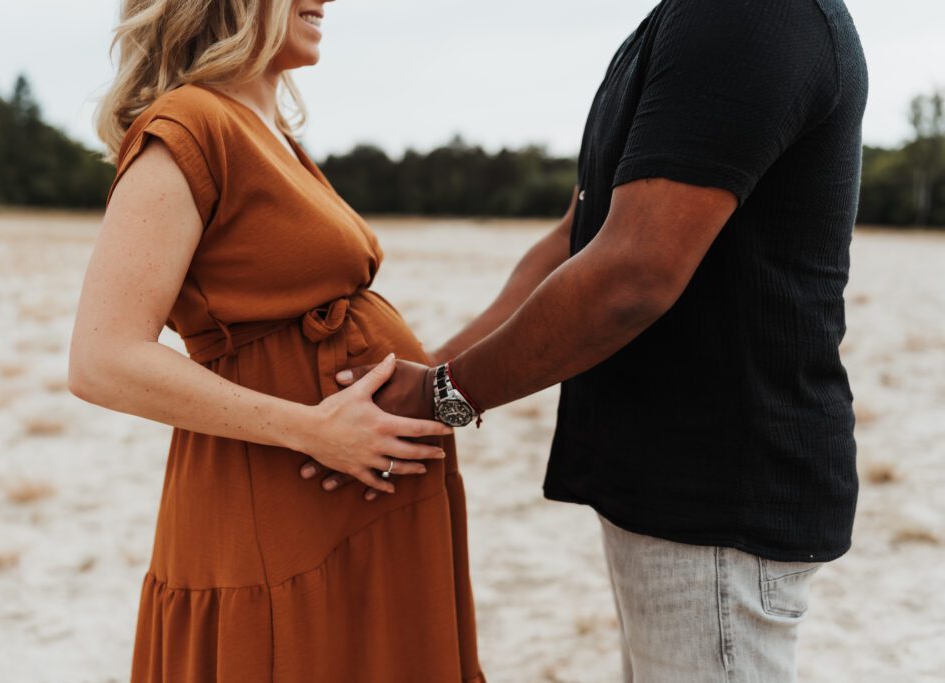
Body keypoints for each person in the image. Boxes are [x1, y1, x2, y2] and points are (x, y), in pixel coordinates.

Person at [305, 0, 868, 680]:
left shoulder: (745, 15)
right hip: (669, 496)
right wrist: (419, 372)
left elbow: (632, 272)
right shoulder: (686, 22)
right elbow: (579, 237)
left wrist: (439, 396)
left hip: (719, 501)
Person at [68, 1, 484, 680]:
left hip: (349, 500)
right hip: (283, 501)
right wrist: (314, 429)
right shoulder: (191, 124)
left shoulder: (270, 132)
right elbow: (101, 358)